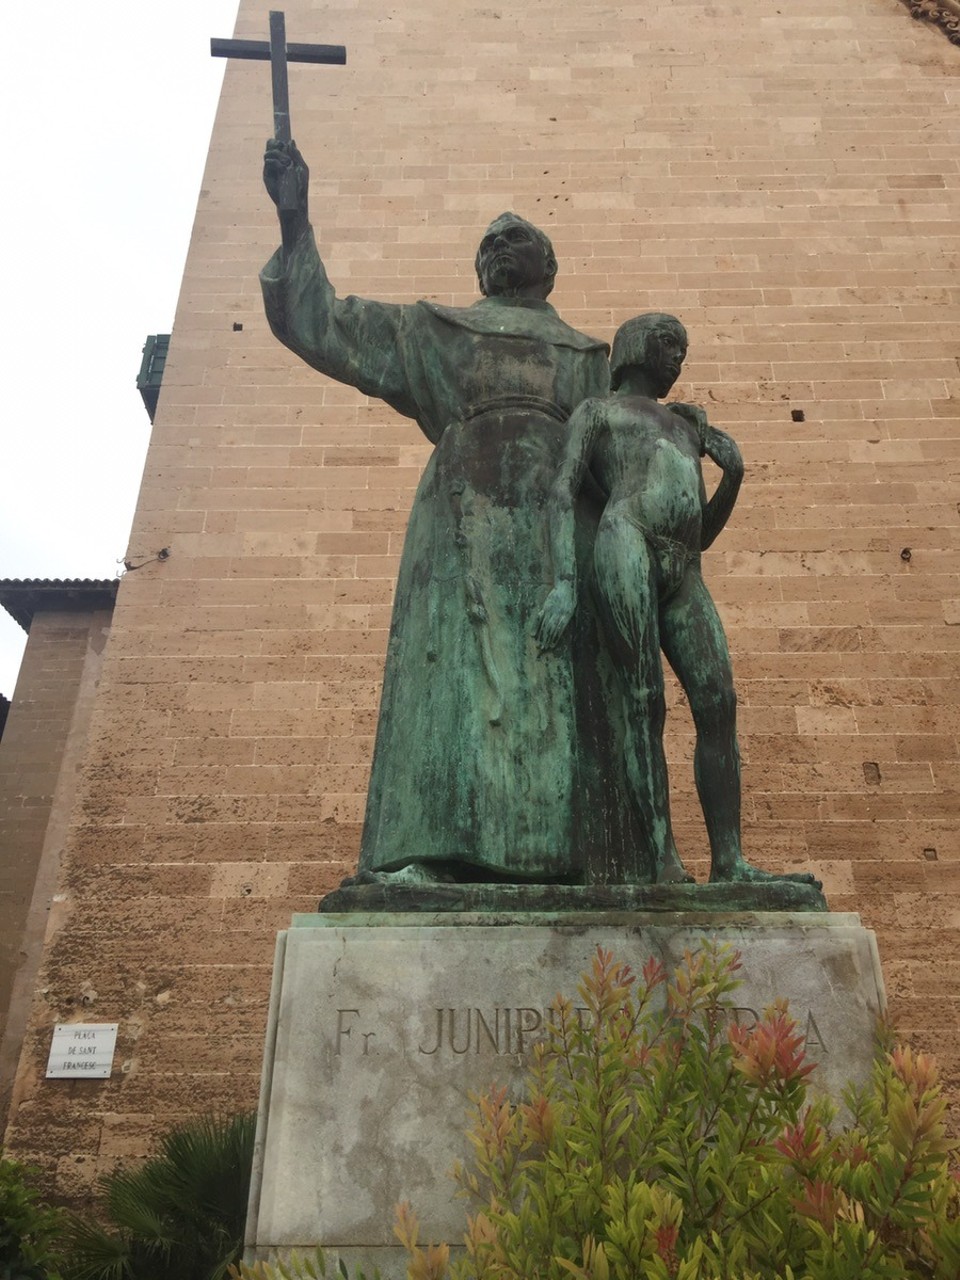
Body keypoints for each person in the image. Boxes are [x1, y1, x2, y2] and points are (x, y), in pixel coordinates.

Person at [261, 139, 650, 885]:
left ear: (549, 266)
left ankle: (571, 853)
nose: (499, 248)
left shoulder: (589, 358)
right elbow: (327, 325)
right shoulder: (433, 330)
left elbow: (625, 460)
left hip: (559, 525)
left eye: (516, 239)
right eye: (488, 243)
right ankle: (438, 852)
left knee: (561, 679)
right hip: (460, 516)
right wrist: (294, 221)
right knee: (453, 677)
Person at [536, 313, 817, 886]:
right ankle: (661, 858)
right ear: (637, 347)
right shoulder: (598, 411)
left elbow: (701, 532)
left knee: (719, 701)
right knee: (644, 698)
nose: (678, 358)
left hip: (682, 564)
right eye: (669, 345)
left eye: (683, 350)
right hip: (627, 541)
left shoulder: (689, 426)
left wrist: (732, 478)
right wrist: (564, 581)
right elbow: (563, 491)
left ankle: (729, 861)